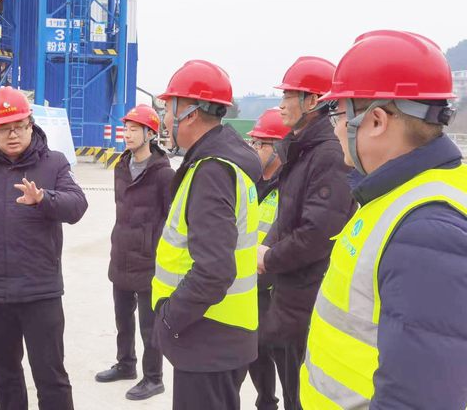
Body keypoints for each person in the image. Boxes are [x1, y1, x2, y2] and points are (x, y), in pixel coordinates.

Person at [300, 30, 467, 409]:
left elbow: (420, 399)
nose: (335, 128)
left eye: (339, 114)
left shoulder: (426, 231)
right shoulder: (400, 195)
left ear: (376, 120)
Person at [0, 86, 88, 410]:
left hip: (41, 290)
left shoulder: (54, 163)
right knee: (5, 376)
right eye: (3, 128)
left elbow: (77, 206)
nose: (12, 135)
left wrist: (44, 199)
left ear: (31, 125)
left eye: (19, 126)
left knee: (51, 376)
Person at [151, 60, 262, 410]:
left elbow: (214, 270)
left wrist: (170, 318)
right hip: (222, 335)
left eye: (170, 109)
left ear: (191, 113)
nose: (165, 120)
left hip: (209, 336)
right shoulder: (227, 163)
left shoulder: (212, 171)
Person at [258, 57, 356, 410]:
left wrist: (269, 257)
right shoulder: (303, 150)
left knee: (301, 395)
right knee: (290, 391)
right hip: (290, 296)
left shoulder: (328, 155)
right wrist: (267, 248)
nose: (282, 104)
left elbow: (317, 233)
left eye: (289, 95)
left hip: (308, 300)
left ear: (313, 101)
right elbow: (287, 217)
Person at [95, 104, 174, 401]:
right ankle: (125, 364)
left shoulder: (164, 174)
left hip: (148, 259)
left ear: (149, 134)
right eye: (125, 129)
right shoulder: (121, 165)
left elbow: (170, 219)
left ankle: (153, 377)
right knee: (122, 318)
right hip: (121, 254)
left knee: (149, 325)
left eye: (133, 129)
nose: (127, 134)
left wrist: (152, 246)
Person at [245, 108, 290, 410]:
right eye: (254, 142)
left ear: (278, 148)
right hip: (251, 287)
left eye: (261, 143)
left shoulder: (290, 188)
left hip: (278, 291)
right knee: (255, 352)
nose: (254, 148)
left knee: (286, 360)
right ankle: (265, 402)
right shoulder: (248, 184)